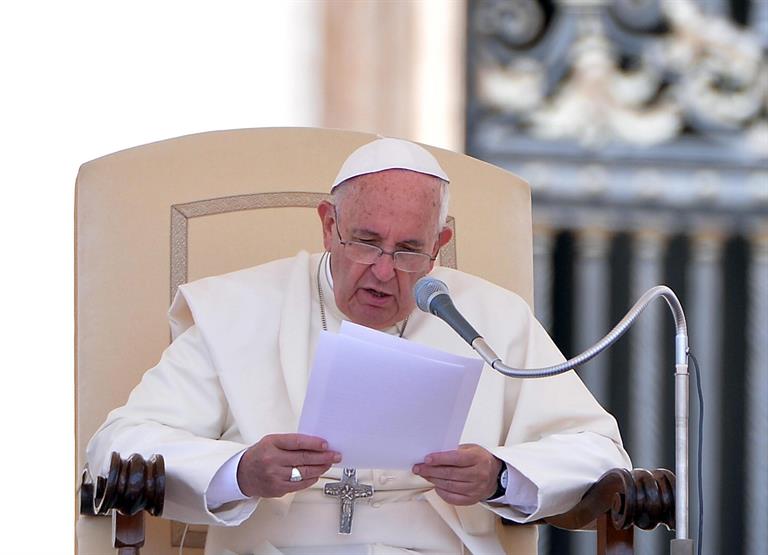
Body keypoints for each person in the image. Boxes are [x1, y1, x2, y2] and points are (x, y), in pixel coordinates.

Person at [87, 138, 631, 554]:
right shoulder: (237, 308)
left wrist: (501, 475)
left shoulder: (491, 319)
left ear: (440, 245)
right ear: (328, 225)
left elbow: (599, 452)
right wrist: (240, 470)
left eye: (409, 250)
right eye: (366, 242)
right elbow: (117, 444)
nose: (383, 271)